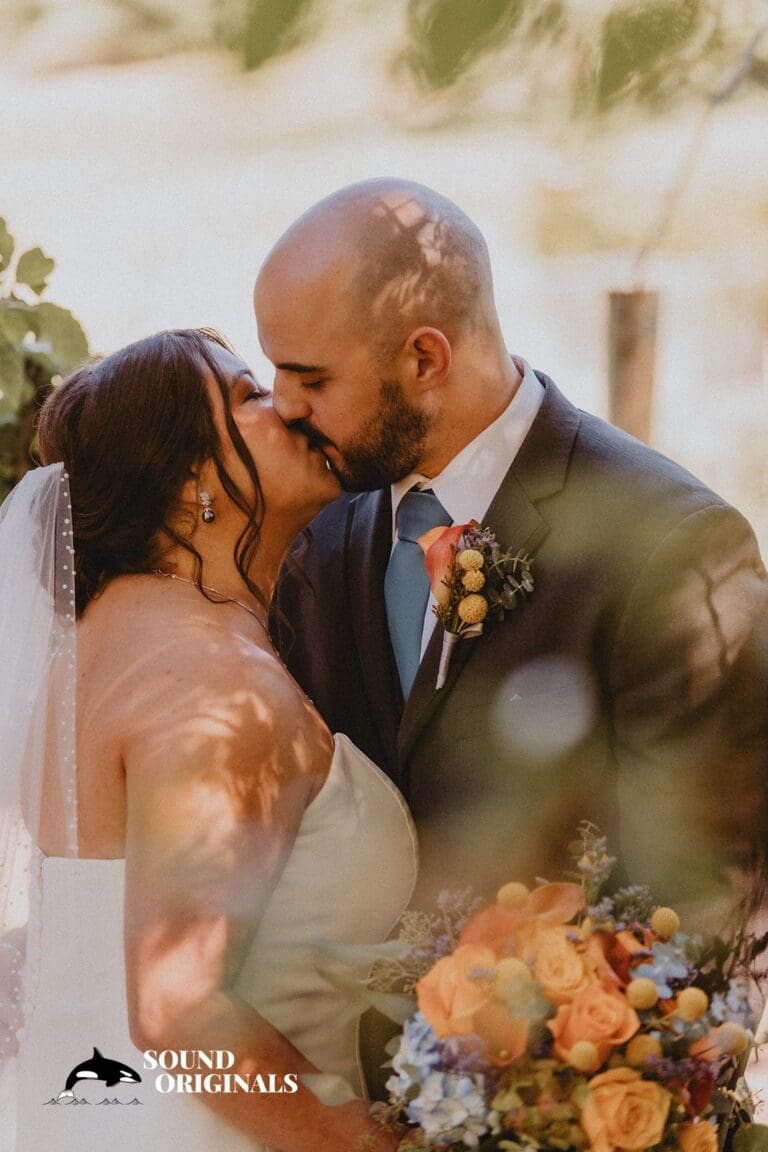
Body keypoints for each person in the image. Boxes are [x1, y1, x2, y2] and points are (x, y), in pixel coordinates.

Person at [260, 179, 768, 1088]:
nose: (284, 407)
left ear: (425, 358)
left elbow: (701, 910)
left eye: (311, 379)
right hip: (340, 1096)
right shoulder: (322, 535)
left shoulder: (673, 547)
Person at [0, 329, 415, 1151]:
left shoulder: (94, 652)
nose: (289, 405)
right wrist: (373, 1144)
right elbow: (177, 1009)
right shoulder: (213, 682)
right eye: (249, 396)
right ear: (191, 478)